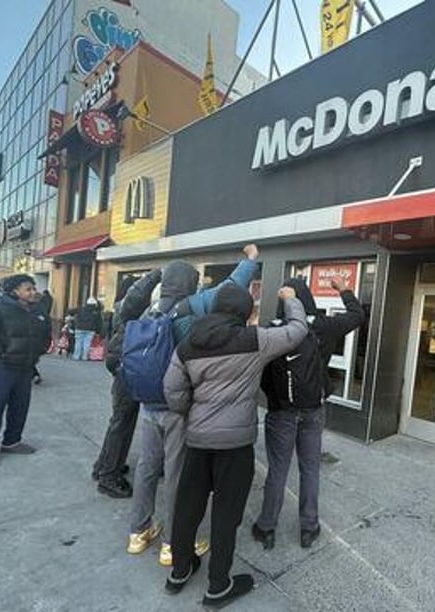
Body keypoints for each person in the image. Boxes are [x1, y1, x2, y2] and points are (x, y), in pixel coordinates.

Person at [163, 283, 307, 605]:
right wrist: (292, 300)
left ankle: (179, 571)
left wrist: (196, 412)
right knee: (226, 515)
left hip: (198, 440)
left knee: (188, 508)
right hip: (235, 444)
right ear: (245, 312)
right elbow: (298, 331)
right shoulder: (255, 340)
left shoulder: (189, 342)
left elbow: (172, 391)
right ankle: (218, 587)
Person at [126, 244, 260, 569]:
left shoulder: (152, 310)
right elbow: (230, 289)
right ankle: (173, 543)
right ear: (189, 282)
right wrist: (250, 260)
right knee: (176, 474)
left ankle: (138, 532)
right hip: (175, 406)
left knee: (146, 466)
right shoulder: (189, 306)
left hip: (147, 403)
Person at [252, 275, 366, 550]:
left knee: (278, 471)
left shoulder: (274, 330)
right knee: (310, 468)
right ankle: (309, 528)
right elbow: (357, 315)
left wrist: (275, 398)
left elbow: (263, 374)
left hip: (282, 412)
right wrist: (343, 289)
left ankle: (266, 527)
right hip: (314, 409)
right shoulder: (324, 326)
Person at [0, 274, 50, 467]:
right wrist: (0, 351)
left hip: (26, 367)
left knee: (20, 406)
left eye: (33, 288)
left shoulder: (38, 310)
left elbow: (45, 335)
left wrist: (39, 351)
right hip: (2, 368)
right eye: (27, 289)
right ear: (15, 291)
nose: (32, 292)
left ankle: (12, 442)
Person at [92, 271, 160, 498]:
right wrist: (156, 275)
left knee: (120, 422)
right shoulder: (127, 307)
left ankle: (104, 465)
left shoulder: (127, 310)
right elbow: (137, 295)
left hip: (124, 368)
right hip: (126, 370)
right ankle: (108, 477)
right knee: (121, 424)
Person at [33, 290, 54, 384]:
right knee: (29, 360)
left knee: (27, 360)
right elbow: (48, 328)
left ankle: (34, 375)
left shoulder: (28, 308)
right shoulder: (43, 309)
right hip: (38, 341)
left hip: (32, 340)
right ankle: (34, 375)